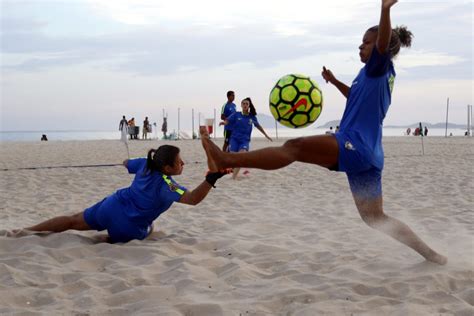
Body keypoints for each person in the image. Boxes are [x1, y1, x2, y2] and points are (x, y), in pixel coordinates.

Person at [199, 0, 446, 265]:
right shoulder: (370, 75)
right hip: (370, 154)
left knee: (294, 147)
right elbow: (355, 98)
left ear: (380, 47)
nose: (360, 46)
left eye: (366, 42)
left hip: (356, 144)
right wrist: (334, 81)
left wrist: (385, 10)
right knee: (374, 218)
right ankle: (431, 255)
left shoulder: (380, 65)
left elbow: (384, 44)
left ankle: (228, 160)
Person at [18, 145, 227, 243]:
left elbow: (127, 163)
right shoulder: (167, 184)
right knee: (151, 227)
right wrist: (211, 179)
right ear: (166, 168)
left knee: (73, 220)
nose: (183, 163)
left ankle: (26, 230)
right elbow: (193, 199)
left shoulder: (145, 163)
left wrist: (127, 162)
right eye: (179, 161)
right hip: (129, 226)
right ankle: (106, 239)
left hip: (111, 206)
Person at [220, 97, 272, 179]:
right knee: (234, 159)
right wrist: (224, 123)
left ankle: (233, 177)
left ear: (249, 106)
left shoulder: (252, 117)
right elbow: (228, 120)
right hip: (234, 139)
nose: (245, 105)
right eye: (243, 103)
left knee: (240, 158)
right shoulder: (236, 114)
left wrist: (266, 135)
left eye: (246, 104)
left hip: (244, 141)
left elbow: (258, 126)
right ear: (241, 105)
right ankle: (230, 170)